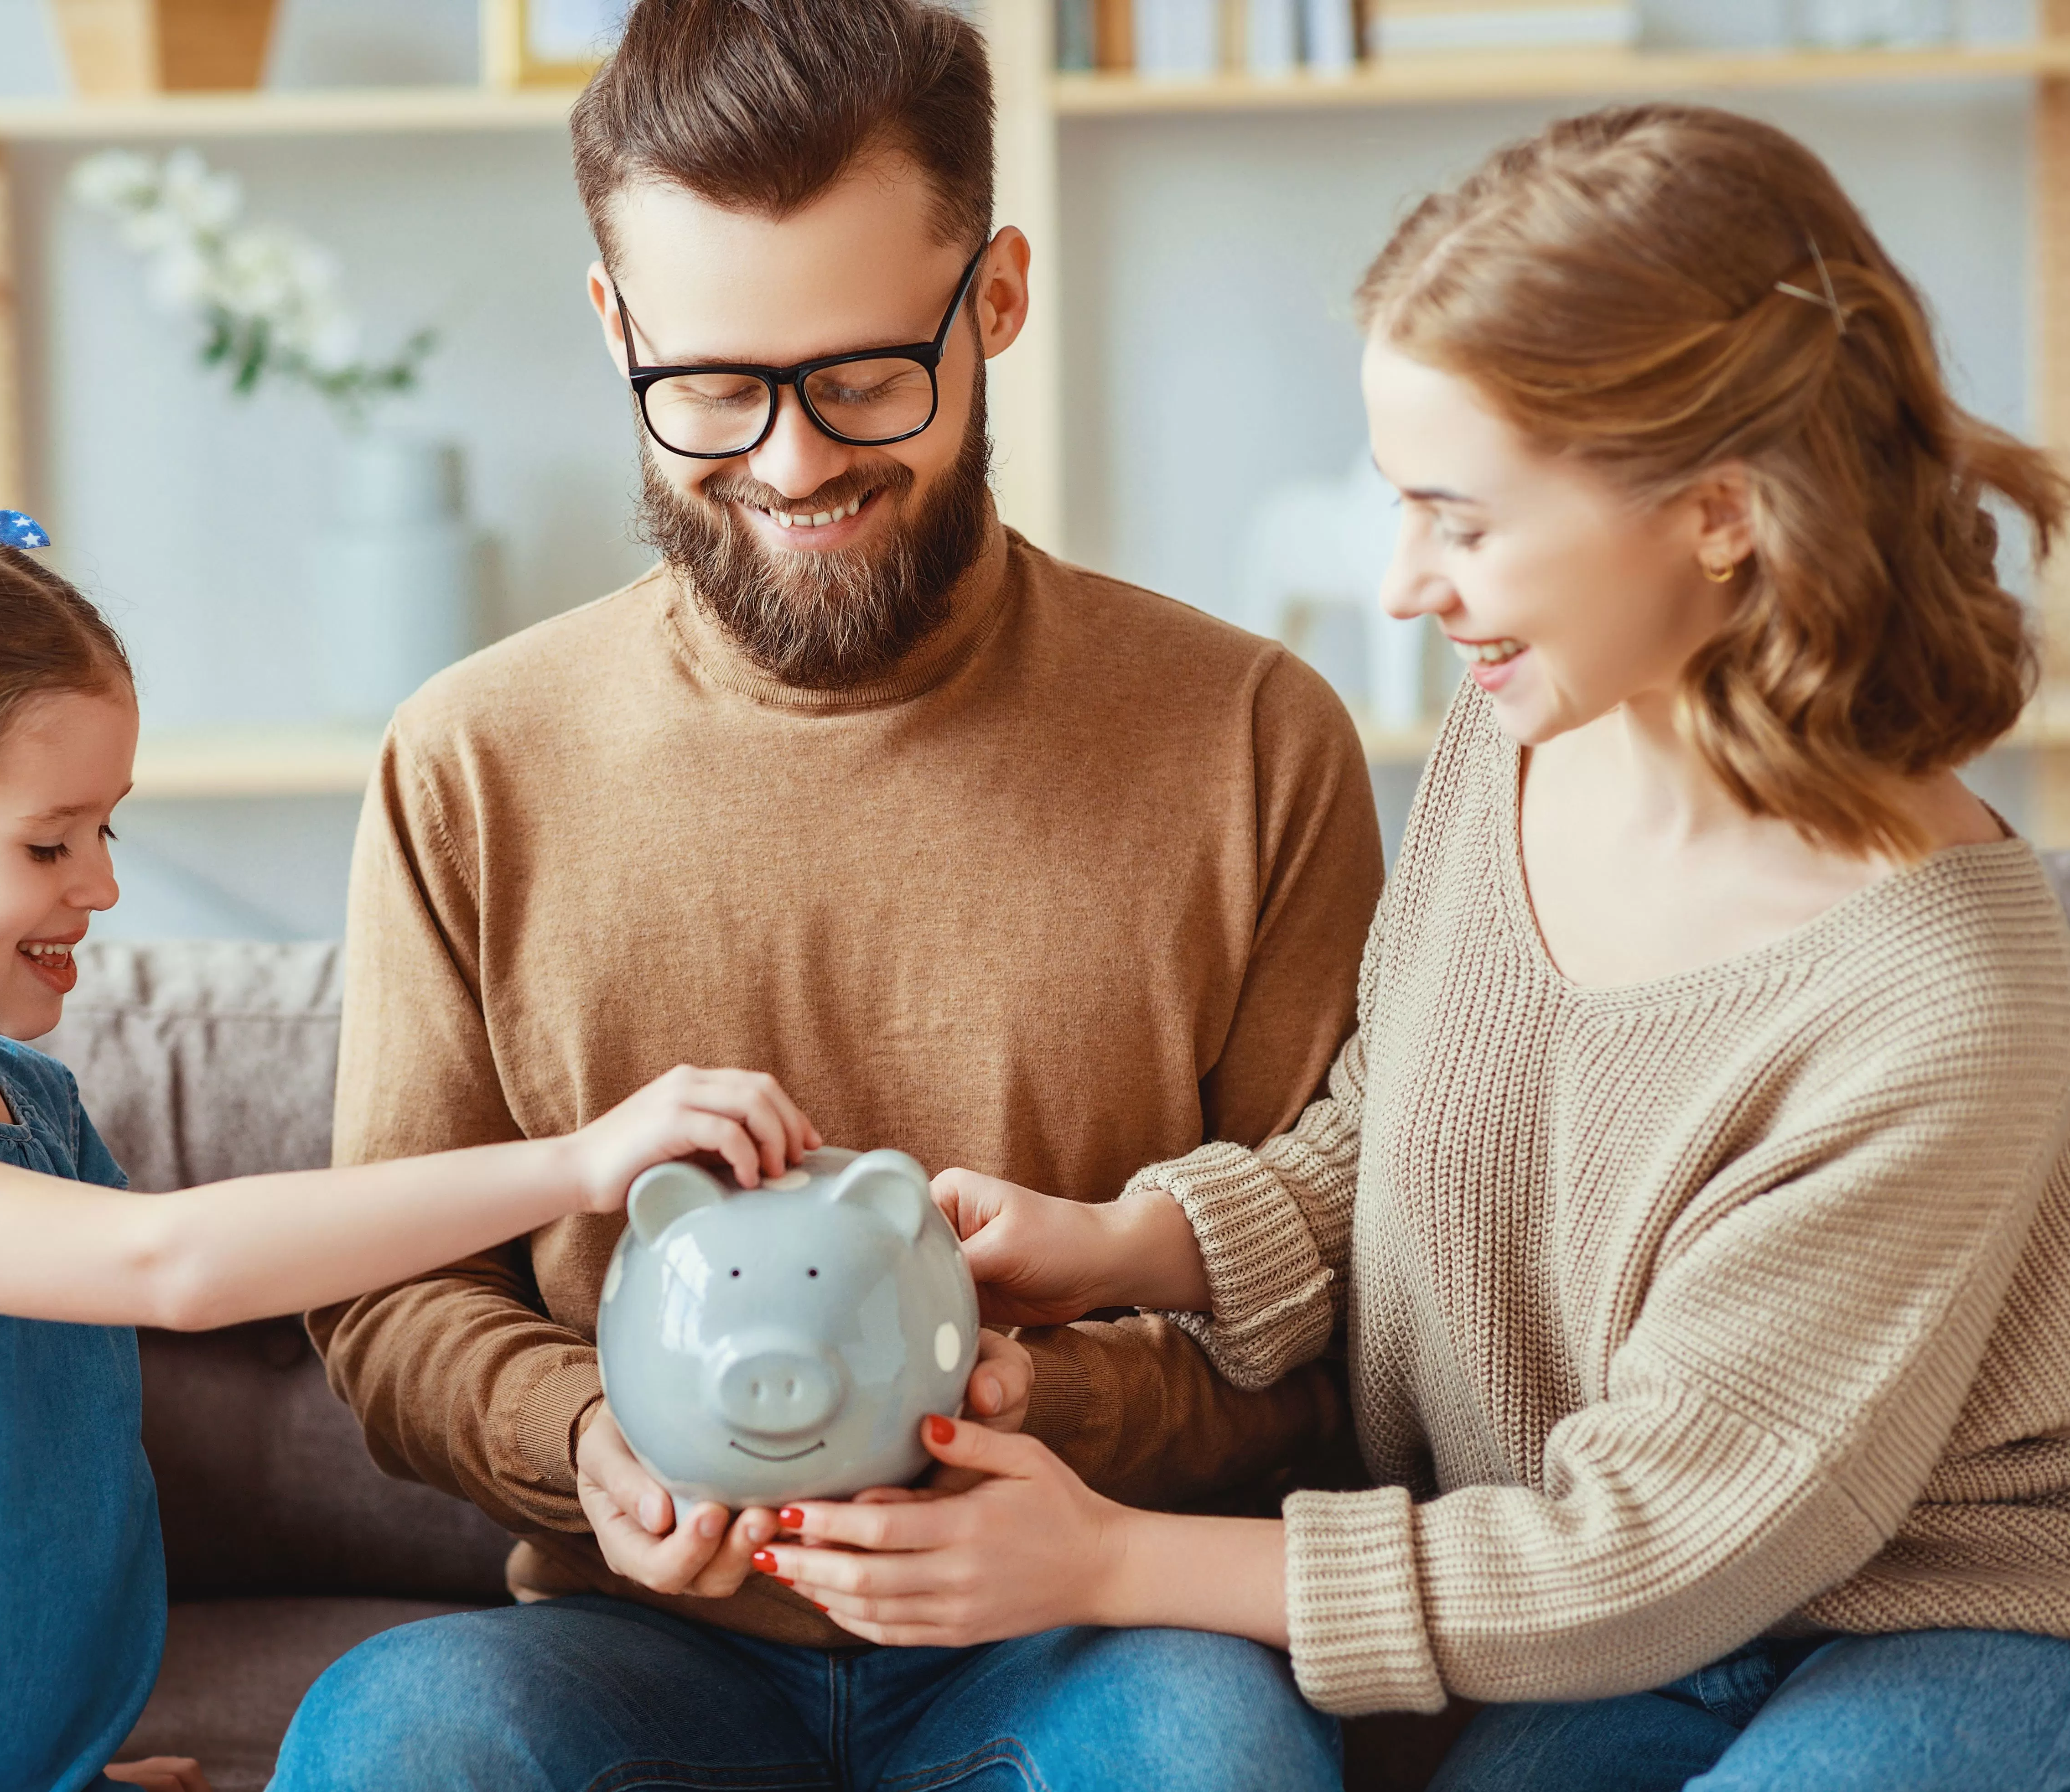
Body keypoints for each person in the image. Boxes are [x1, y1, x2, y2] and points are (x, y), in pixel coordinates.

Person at [759, 104, 2070, 1792]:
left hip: (1923, 1624)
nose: (1403, 586)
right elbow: (1403, 1132)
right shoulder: (1518, 744)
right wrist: (1120, 1246)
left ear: (1719, 514)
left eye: (1460, 521)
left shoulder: (1938, 1002)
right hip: (1600, 1623)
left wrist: (1108, 1561)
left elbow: (1661, 1541)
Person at [272, 0, 1385, 1784]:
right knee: (406, 1731)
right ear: (614, 326)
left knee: (1214, 1756)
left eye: (867, 376)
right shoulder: (468, 763)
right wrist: (591, 1447)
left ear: (996, 298)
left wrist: (1048, 1406)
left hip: (1080, 1625)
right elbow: (391, 1298)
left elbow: (1333, 1301)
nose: (792, 464)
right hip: (640, 1644)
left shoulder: (1251, 741)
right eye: (711, 385)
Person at [0, 466, 817, 1792]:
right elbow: (174, 1264)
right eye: (49, 845)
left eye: (106, 829)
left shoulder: (28, 1107)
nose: (103, 885)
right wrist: (576, 1162)